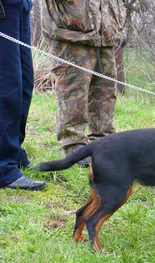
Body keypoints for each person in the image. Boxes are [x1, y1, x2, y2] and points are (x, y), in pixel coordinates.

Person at [41, 0, 126, 166]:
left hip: (106, 33)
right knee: (73, 91)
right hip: (72, 33)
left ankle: (104, 143)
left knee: (106, 93)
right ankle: (74, 145)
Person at [0, 0, 47, 190]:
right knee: (7, 84)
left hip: (22, 5)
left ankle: (14, 151)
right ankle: (3, 166)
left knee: (24, 83)